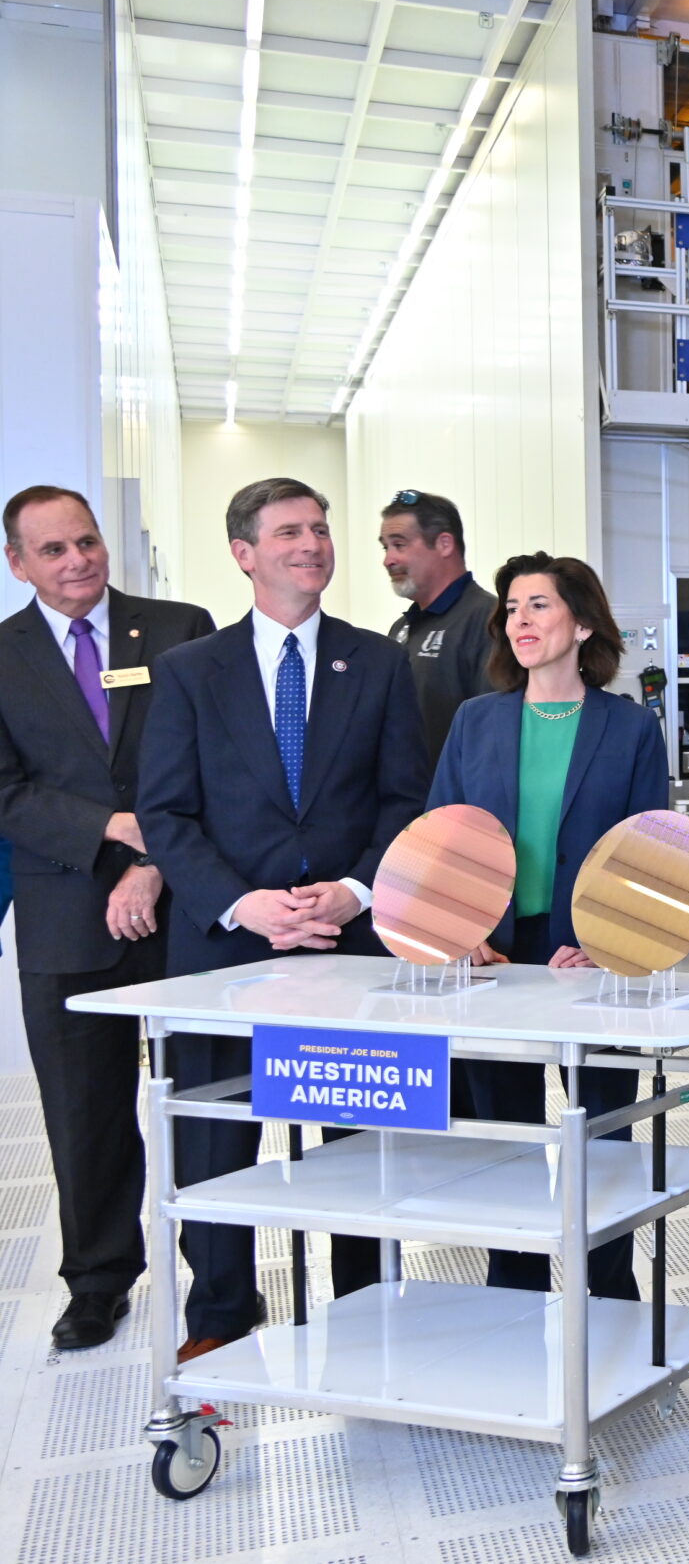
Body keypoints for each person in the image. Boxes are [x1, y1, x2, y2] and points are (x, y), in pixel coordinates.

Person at [138, 477, 430, 1361]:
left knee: (360, 1134)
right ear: (244, 554)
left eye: (320, 528)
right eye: (289, 531)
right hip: (225, 946)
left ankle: (368, 1298)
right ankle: (221, 1309)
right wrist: (241, 903)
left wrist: (356, 888)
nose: (312, 543)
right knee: (215, 1132)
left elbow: (406, 799)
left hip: (352, 941)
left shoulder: (377, 661)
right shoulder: (191, 670)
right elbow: (166, 811)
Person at [0, 485, 214, 1351]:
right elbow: (5, 791)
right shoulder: (2, 656)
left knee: (204, 1099)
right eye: (53, 550)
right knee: (83, 1112)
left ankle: (221, 1275)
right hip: (65, 916)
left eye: (85, 540)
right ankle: (96, 1280)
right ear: (19, 564)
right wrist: (108, 831)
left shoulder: (177, 628)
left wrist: (156, 858)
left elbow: (211, 756)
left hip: (187, 911)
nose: (78, 559)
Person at [428, 552, 665, 1299]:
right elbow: (443, 834)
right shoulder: (477, 720)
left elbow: (649, 853)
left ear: (583, 621)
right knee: (507, 1140)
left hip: (589, 955)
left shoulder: (629, 728)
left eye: (539, 605)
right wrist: (457, 929)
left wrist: (607, 940)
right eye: (512, 607)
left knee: (605, 1136)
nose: (519, 621)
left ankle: (610, 1294)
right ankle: (514, 1295)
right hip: (494, 953)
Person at [381, 489, 496, 767]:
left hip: (456, 805)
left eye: (400, 544)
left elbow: (493, 733)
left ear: (444, 544)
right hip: (409, 804)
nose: (388, 560)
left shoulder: (490, 620)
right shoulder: (401, 627)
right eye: (385, 547)